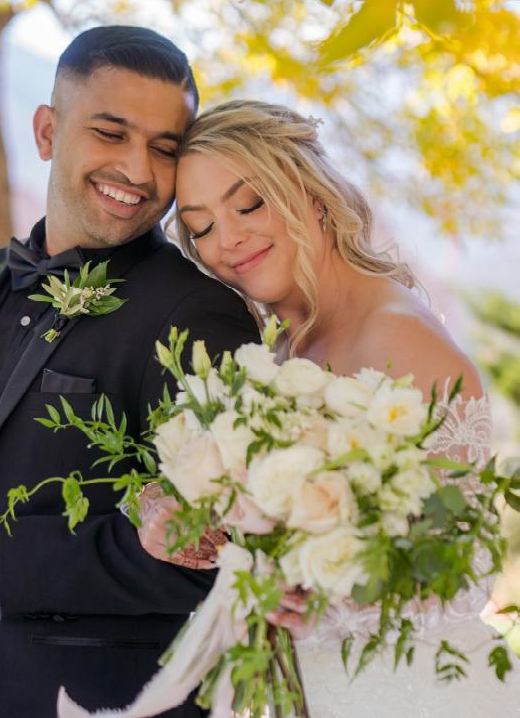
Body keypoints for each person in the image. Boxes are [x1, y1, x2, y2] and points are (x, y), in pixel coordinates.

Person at [0, 29, 260, 717]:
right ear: (46, 131)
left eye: (164, 148)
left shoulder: (199, 315)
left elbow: (224, 562)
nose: (138, 170)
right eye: (110, 133)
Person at [138, 99, 520, 716]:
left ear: (311, 191)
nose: (227, 239)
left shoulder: (396, 336)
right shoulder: (281, 349)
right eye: (201, 227)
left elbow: (462, 572)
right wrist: (178, 505)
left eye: (249, 204)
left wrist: (316, 598)